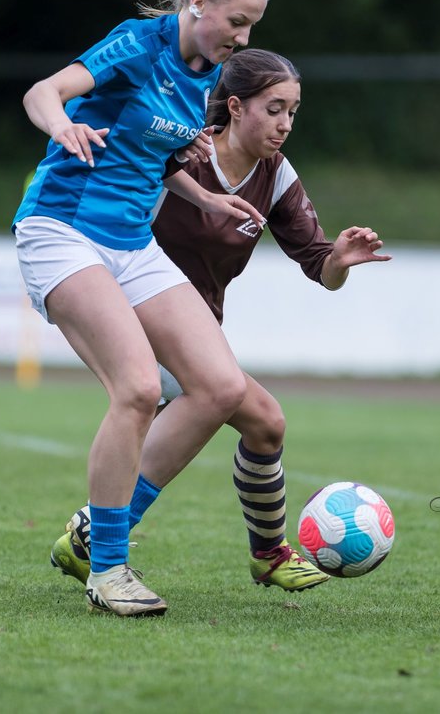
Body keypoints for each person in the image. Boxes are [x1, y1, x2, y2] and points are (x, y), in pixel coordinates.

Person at [49, 49, 390, 592]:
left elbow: (318, 265)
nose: (286, 124)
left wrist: (340, 262)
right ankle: (98, 535)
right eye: (274, 109)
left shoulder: (276, 176)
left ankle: (264, 555)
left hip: (196, 330)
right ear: (235, 106)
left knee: (266, 425)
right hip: (136, 317)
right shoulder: (181, 152)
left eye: (294, 112)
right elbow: (118, 231)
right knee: (229, 398)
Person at [13, 0, 272, 617]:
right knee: (134, 388)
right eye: (236, 23)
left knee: (219, 388)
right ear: (197, 3)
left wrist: (204, 198)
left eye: (252, 28)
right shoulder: (136, 45)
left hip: (132, 244)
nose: (242, 40)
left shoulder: (202, 76)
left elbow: (148, 150)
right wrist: (61, 124)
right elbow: (44, 91)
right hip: (63, 231)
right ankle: (108, 569)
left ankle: (96, 534)